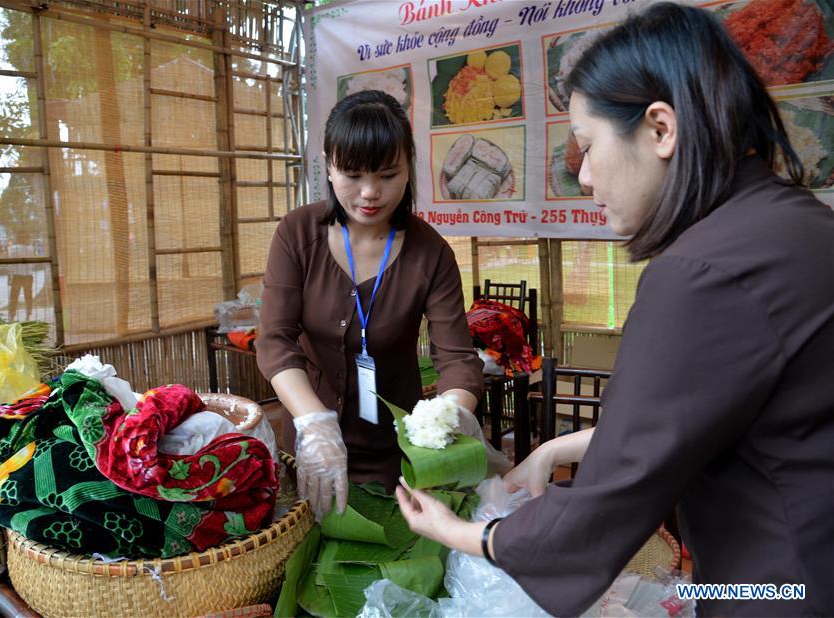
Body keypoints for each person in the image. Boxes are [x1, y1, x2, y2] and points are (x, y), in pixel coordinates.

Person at [396, 3, 834, 616]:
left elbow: (611, 497)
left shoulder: (699, 272)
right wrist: (556, 449)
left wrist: (465, 534)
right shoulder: (799, 225)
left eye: (588, 145)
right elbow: (706, 417)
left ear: (661, 130)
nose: (586, 178)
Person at [256, 90, 499, 521]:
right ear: (329, 164)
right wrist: (315, 424)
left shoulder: (431, 253)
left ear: (408, 168)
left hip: (400, 454)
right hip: (313, 451)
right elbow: (275, 340)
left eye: (388, 175)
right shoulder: (297, 234)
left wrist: (451, 415)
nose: (370, 193)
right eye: (352, 174)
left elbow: (458, 360)